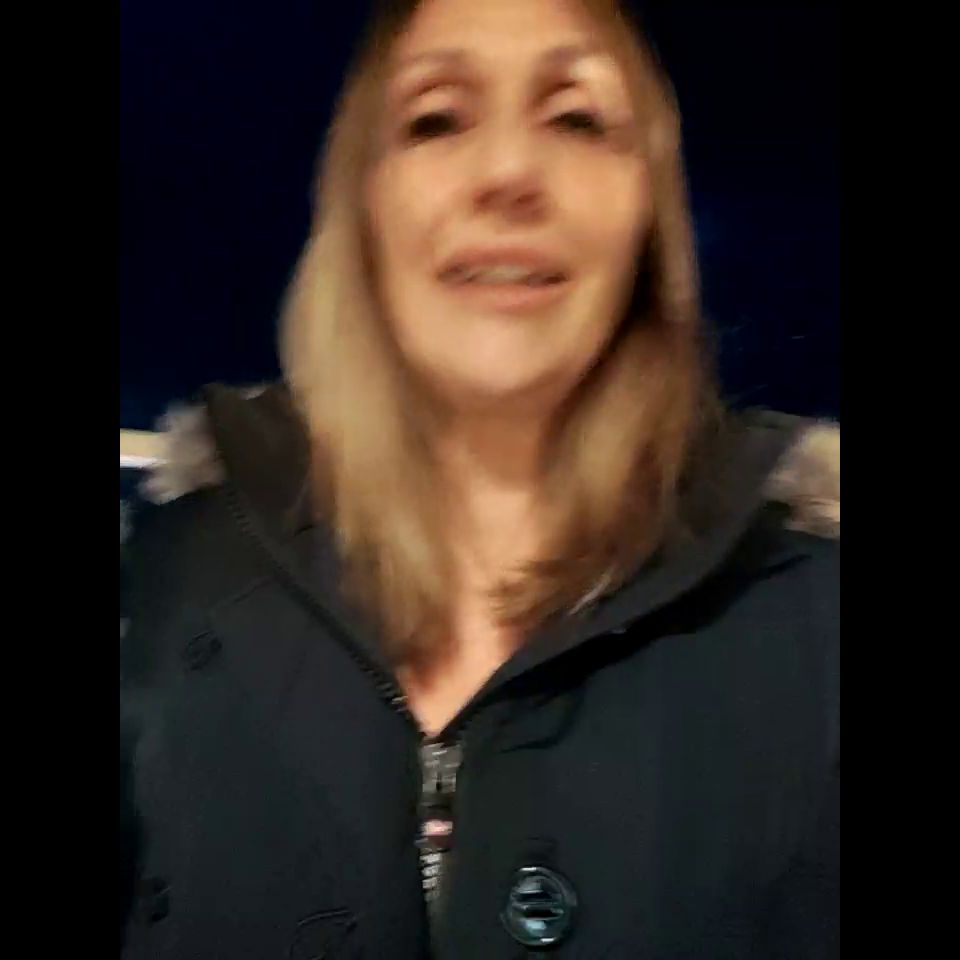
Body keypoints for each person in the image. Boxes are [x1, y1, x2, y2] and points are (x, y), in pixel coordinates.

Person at [119, 0, 839, 956]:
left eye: (578, 118)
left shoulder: (813, 620)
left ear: (648, 216)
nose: (508, 172)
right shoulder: (165, 589)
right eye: (436, 119)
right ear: (364, 206)